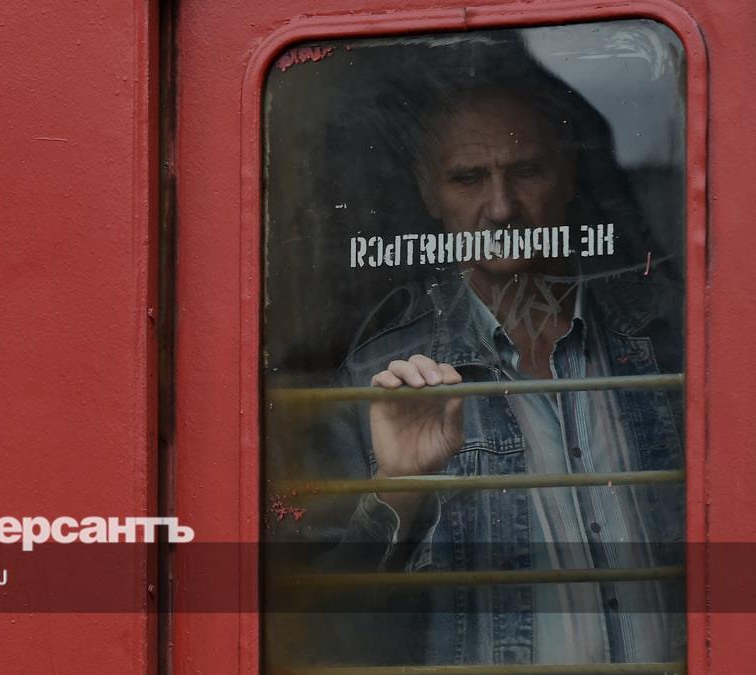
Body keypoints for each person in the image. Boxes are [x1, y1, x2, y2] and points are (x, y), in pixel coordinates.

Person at [294, 61, 686, 667]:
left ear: (569, 175)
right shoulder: (381, 379)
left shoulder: (668, 335)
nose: (501, 208)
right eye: (468, 178)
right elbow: (329, 634)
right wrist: (398, 490)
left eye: (526, 171)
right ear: (429, 192)